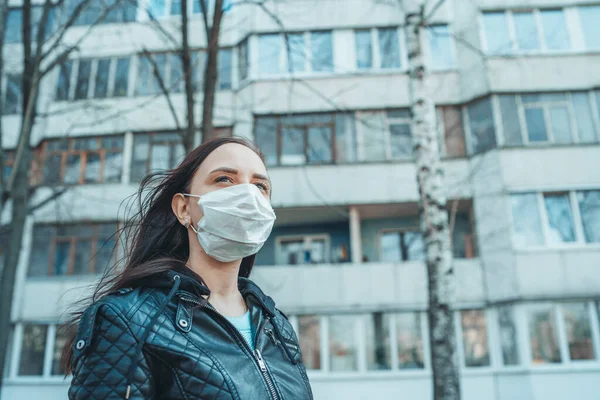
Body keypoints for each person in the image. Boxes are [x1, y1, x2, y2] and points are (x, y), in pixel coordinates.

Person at [63, 137, 313, 400]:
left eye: (260, 186)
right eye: (225, 179)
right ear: (184, 208)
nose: (248, 196)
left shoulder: (276, 326)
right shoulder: (127, 320)